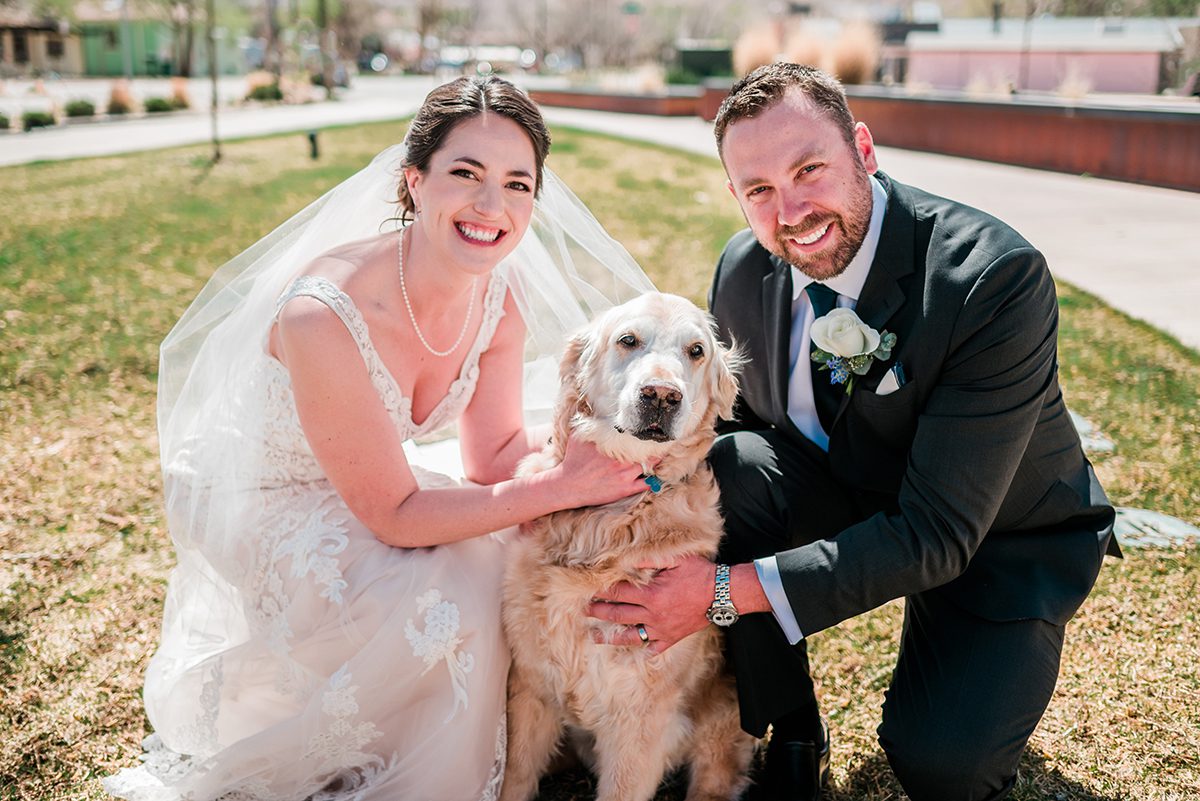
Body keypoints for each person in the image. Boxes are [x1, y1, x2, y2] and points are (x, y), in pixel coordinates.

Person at [103, 75, 656, 801]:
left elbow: (491, 459)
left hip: (373, 478)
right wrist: (560, 487)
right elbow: (393, 513)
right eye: (466, 174)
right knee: (454, 595)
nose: (493, 207)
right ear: (414, 181)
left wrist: (588, 459)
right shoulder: (321, 314)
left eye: (518, 184)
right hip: (268, 493)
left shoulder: (500, 292)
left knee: (502, 559)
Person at [588, 63, 1119, 801]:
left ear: (864, 150)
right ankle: (793, 727)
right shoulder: (743, 271)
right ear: (737, 197)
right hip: (845, 489)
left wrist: (720, 591)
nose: (793, 210)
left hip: (991, 532)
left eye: (810, 169)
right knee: (730, 471)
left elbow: (938, 532)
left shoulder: (993, 278)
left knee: (943, 764)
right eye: (760, 190)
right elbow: (731, 444)